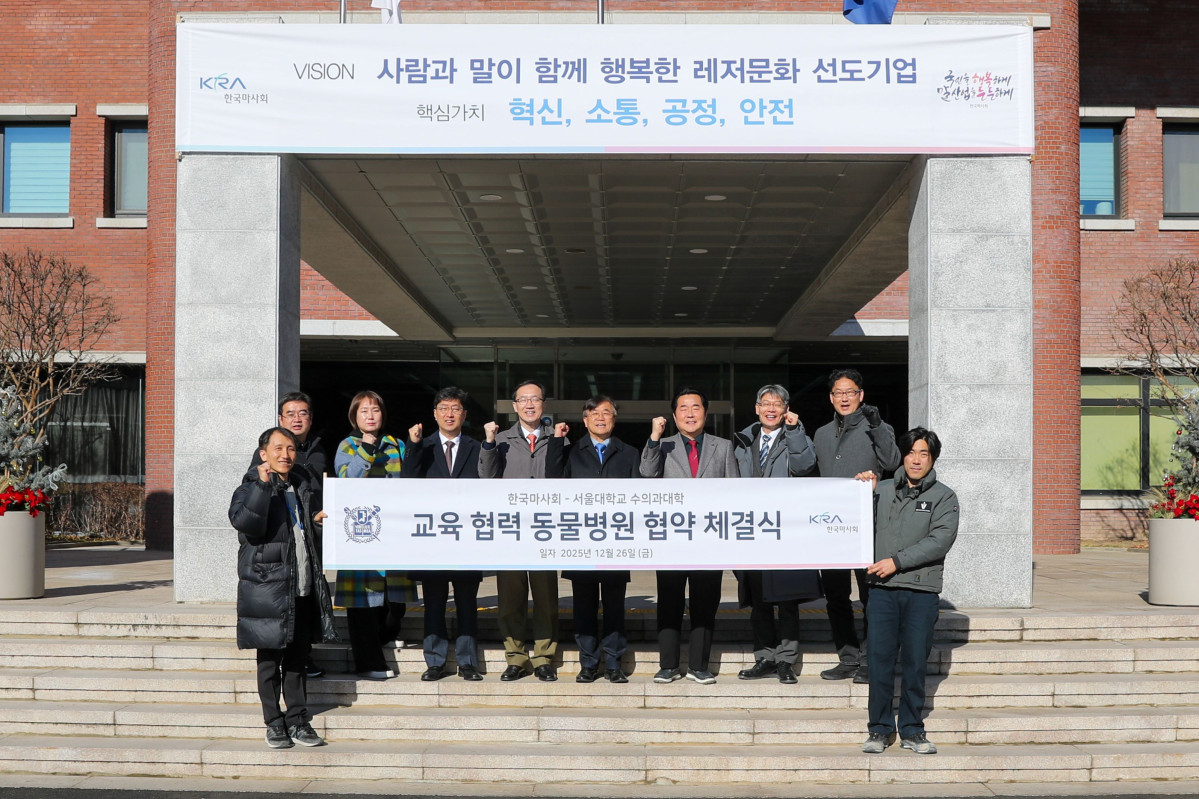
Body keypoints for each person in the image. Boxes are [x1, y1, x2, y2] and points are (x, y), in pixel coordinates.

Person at [229, 427, 337, 749]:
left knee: (296, 660)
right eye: (278, 448)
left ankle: (298, 721)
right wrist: (263, 487)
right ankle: (274, 723)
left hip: (300, 586)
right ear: (263, 454)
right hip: (267, 589)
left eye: (290, 448)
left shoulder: (302, 486)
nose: (285, 455)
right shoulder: (249, 487)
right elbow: (246, 524)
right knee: (268, 661)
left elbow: (301, 536)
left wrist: (316, 523)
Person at [859, 427, 959, 756]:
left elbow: (939, 541)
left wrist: (896, 562)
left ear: (933, 459)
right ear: (903, 456)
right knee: (879, 661)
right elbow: (855, 523)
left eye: (924, 454)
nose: (916, 460)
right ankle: (879, 728)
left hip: (921, 592)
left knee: (916, 662)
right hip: (882, 591)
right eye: (911, 452)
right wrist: (859, 494)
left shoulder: (944, 497)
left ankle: (913, 730)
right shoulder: (882, 489)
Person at [639, 387, 738, 685]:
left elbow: (734, 490)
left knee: (705, 604)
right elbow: (647, 474)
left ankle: (699, 666)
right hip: (672, 539)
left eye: (696, 407)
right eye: (683, 408)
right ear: (674, 415)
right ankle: (668, 666)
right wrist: (654, 438)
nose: (690, 413)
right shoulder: (662, 444)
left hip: (709, 538)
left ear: (705, 413)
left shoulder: (723, 446)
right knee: (669, 602)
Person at [812, 368, 901, 685]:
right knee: (836, 597)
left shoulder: (878, 427)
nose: (844, 398)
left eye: (850, 392)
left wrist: (877, 426)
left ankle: (869, 659)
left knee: (870, 596)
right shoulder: (821, 433)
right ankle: (847, 658)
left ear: (861, 395)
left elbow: (892, 462)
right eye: (838, 392)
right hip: (832, 527)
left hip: (869, 526)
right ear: (831, 397)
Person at [732, 384, 821, 685]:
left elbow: (805, 466)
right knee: (758, 599)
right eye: (766, 403)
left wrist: (794, 432)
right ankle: (765, 657)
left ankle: (786, 660)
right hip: (752, 531)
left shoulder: (798, 437)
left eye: (777, 403)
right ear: (756, 408)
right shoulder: (743, 441)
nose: (771, 408)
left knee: (787, 600)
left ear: (786, 410)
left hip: (785, 531)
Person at [545, 395, 636, 684]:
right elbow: (553, 479)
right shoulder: (572, 452)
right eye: (594, 413)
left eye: (606, 413)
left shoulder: (629, 453)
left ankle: (614, 664)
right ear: (585, 421)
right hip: (581, 543)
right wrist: (557, 441)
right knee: (583, 608)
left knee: (614, 608)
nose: (600, 418)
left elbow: (639, 498)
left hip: (616, 544)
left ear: (614, 419)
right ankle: (588, 663)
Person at [479, 380, 561, 682]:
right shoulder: (501, 439)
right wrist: (488, 444)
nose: (529, 404)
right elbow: (486, 476)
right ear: (514, 406)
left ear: (543, 405)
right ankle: (515, 657)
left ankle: (543, 657)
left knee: (546, 598)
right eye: (523, 399)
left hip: (544, 530)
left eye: (535, 399)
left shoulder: (557, 439)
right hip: (510, 530)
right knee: (510, 598)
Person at [332, 390, 416, 681]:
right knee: (364, 601)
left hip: (392, 533)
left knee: (395, 601)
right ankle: (368, 662)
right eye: (364, 411)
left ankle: (386, 636)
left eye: (375, 410)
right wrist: (366, 448)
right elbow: (347, 479)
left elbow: (409, 482)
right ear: (354, 416)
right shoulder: (347, 445)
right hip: (361, 533)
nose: (370, 416)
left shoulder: (395, 444)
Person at [403, 386, 485, 682]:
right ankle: (435, 661)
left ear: (464, 414)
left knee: (467, 605)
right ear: (435, 414)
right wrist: (413, 445)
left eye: (456, 408)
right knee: (434, 605)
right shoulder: (421, 445)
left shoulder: (477, 447)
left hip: (466, 540)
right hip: (433, 541)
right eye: (444, 408)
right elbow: (408, 480)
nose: (450, 414)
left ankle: (467, 662)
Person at [245, 391, 328, 679]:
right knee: (283, 608)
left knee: (305, 600)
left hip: (309, 539)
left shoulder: (319, 450)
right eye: (290, 414)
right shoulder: (265, 458)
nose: (297, 418)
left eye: (302, 413)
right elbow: (251, 507)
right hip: (277, 550)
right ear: (281, 419)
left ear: (310, 418)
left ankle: (304, 658)